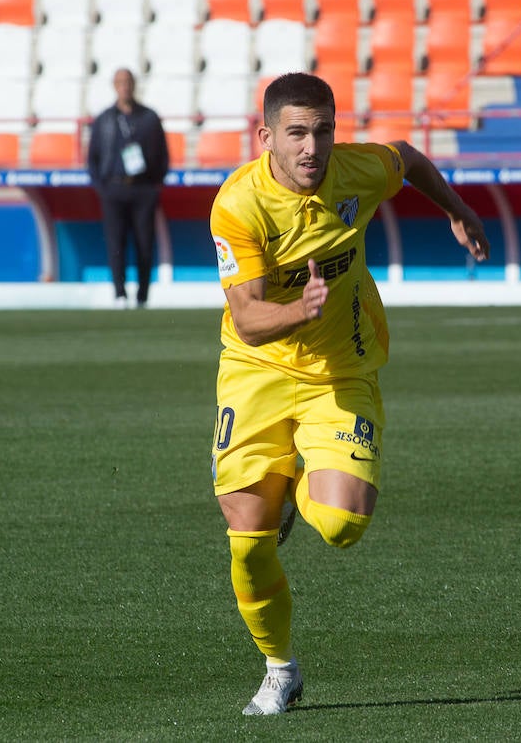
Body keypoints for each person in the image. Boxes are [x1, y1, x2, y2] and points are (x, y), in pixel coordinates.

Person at [208, 72, 490, 715]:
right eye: (297, 133)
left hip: (342, 367)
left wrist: (456, 207)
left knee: (340, 525)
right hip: (257, 371)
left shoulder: (358, 171)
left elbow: (410, 160)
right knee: (246, 540)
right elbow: (249, 318)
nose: (313, 147)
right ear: (267, 138)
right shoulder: (238, 205)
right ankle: (280, 668)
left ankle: (293, 488)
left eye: (324, 131)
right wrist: (299, 311)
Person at [87, 68, 169, 309]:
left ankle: (143, 296)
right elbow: (92, 157)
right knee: (115, 243)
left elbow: (163, 156)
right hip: (113, 189)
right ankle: (120, 294)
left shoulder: (149, 118)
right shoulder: (104, 119)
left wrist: (155, 185)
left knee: (145, 243)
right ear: (114, 86)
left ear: (134, 85)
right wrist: (101, 187)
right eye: (120, 82)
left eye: (128, 82)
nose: (125, 86)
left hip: (143, 189)